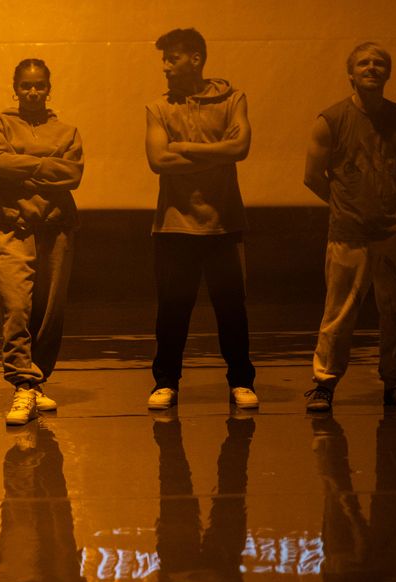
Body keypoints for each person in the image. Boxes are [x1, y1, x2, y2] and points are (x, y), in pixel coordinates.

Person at [144, 28, 258, 412]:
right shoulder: (158, 108)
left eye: (172, 58)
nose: (165, 67)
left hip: (224, 224)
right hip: (174, 225)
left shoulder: (233, 99)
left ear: (195, 59)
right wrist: (217, 154)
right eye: (164, 60)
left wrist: (185, 148)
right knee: (172, 309)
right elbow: (159, 160)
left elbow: (240, 148)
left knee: (231, 308)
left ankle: (241, 381)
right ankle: (166, 383)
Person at [303, 42, 396, 413]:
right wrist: (348, 204)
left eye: (379, 63)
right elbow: (312, 176)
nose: (372, 67)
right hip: (349, 232)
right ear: (350, 74)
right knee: (339, 312)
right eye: (364, 63)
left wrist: (381, 201)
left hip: (394, 229)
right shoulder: (330, 120)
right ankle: (324, 385)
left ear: (388, 72)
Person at [0, 59, 84, 426]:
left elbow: (73, 175)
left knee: (49, 310)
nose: (33, 92)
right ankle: (22, 385)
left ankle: (37, 380)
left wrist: (21, 167)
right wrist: (46, 166)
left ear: (49, 88)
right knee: (16, 306)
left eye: (39, 85)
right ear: (16, 88)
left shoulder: (67, 131)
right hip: (10, 228)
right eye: (26, 85)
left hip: (56, 230)